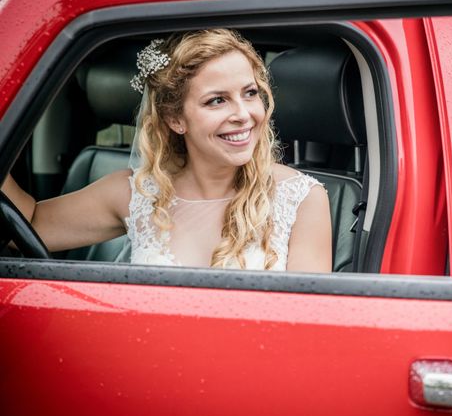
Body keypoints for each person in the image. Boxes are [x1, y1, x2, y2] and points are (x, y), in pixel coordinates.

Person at [1, 29, 332, 273]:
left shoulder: (300, 198)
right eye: (217, 100)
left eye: (249, 93)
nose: (244, 114)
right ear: (175, 118)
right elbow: (23, 224)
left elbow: (308, 326)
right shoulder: (138, 192)